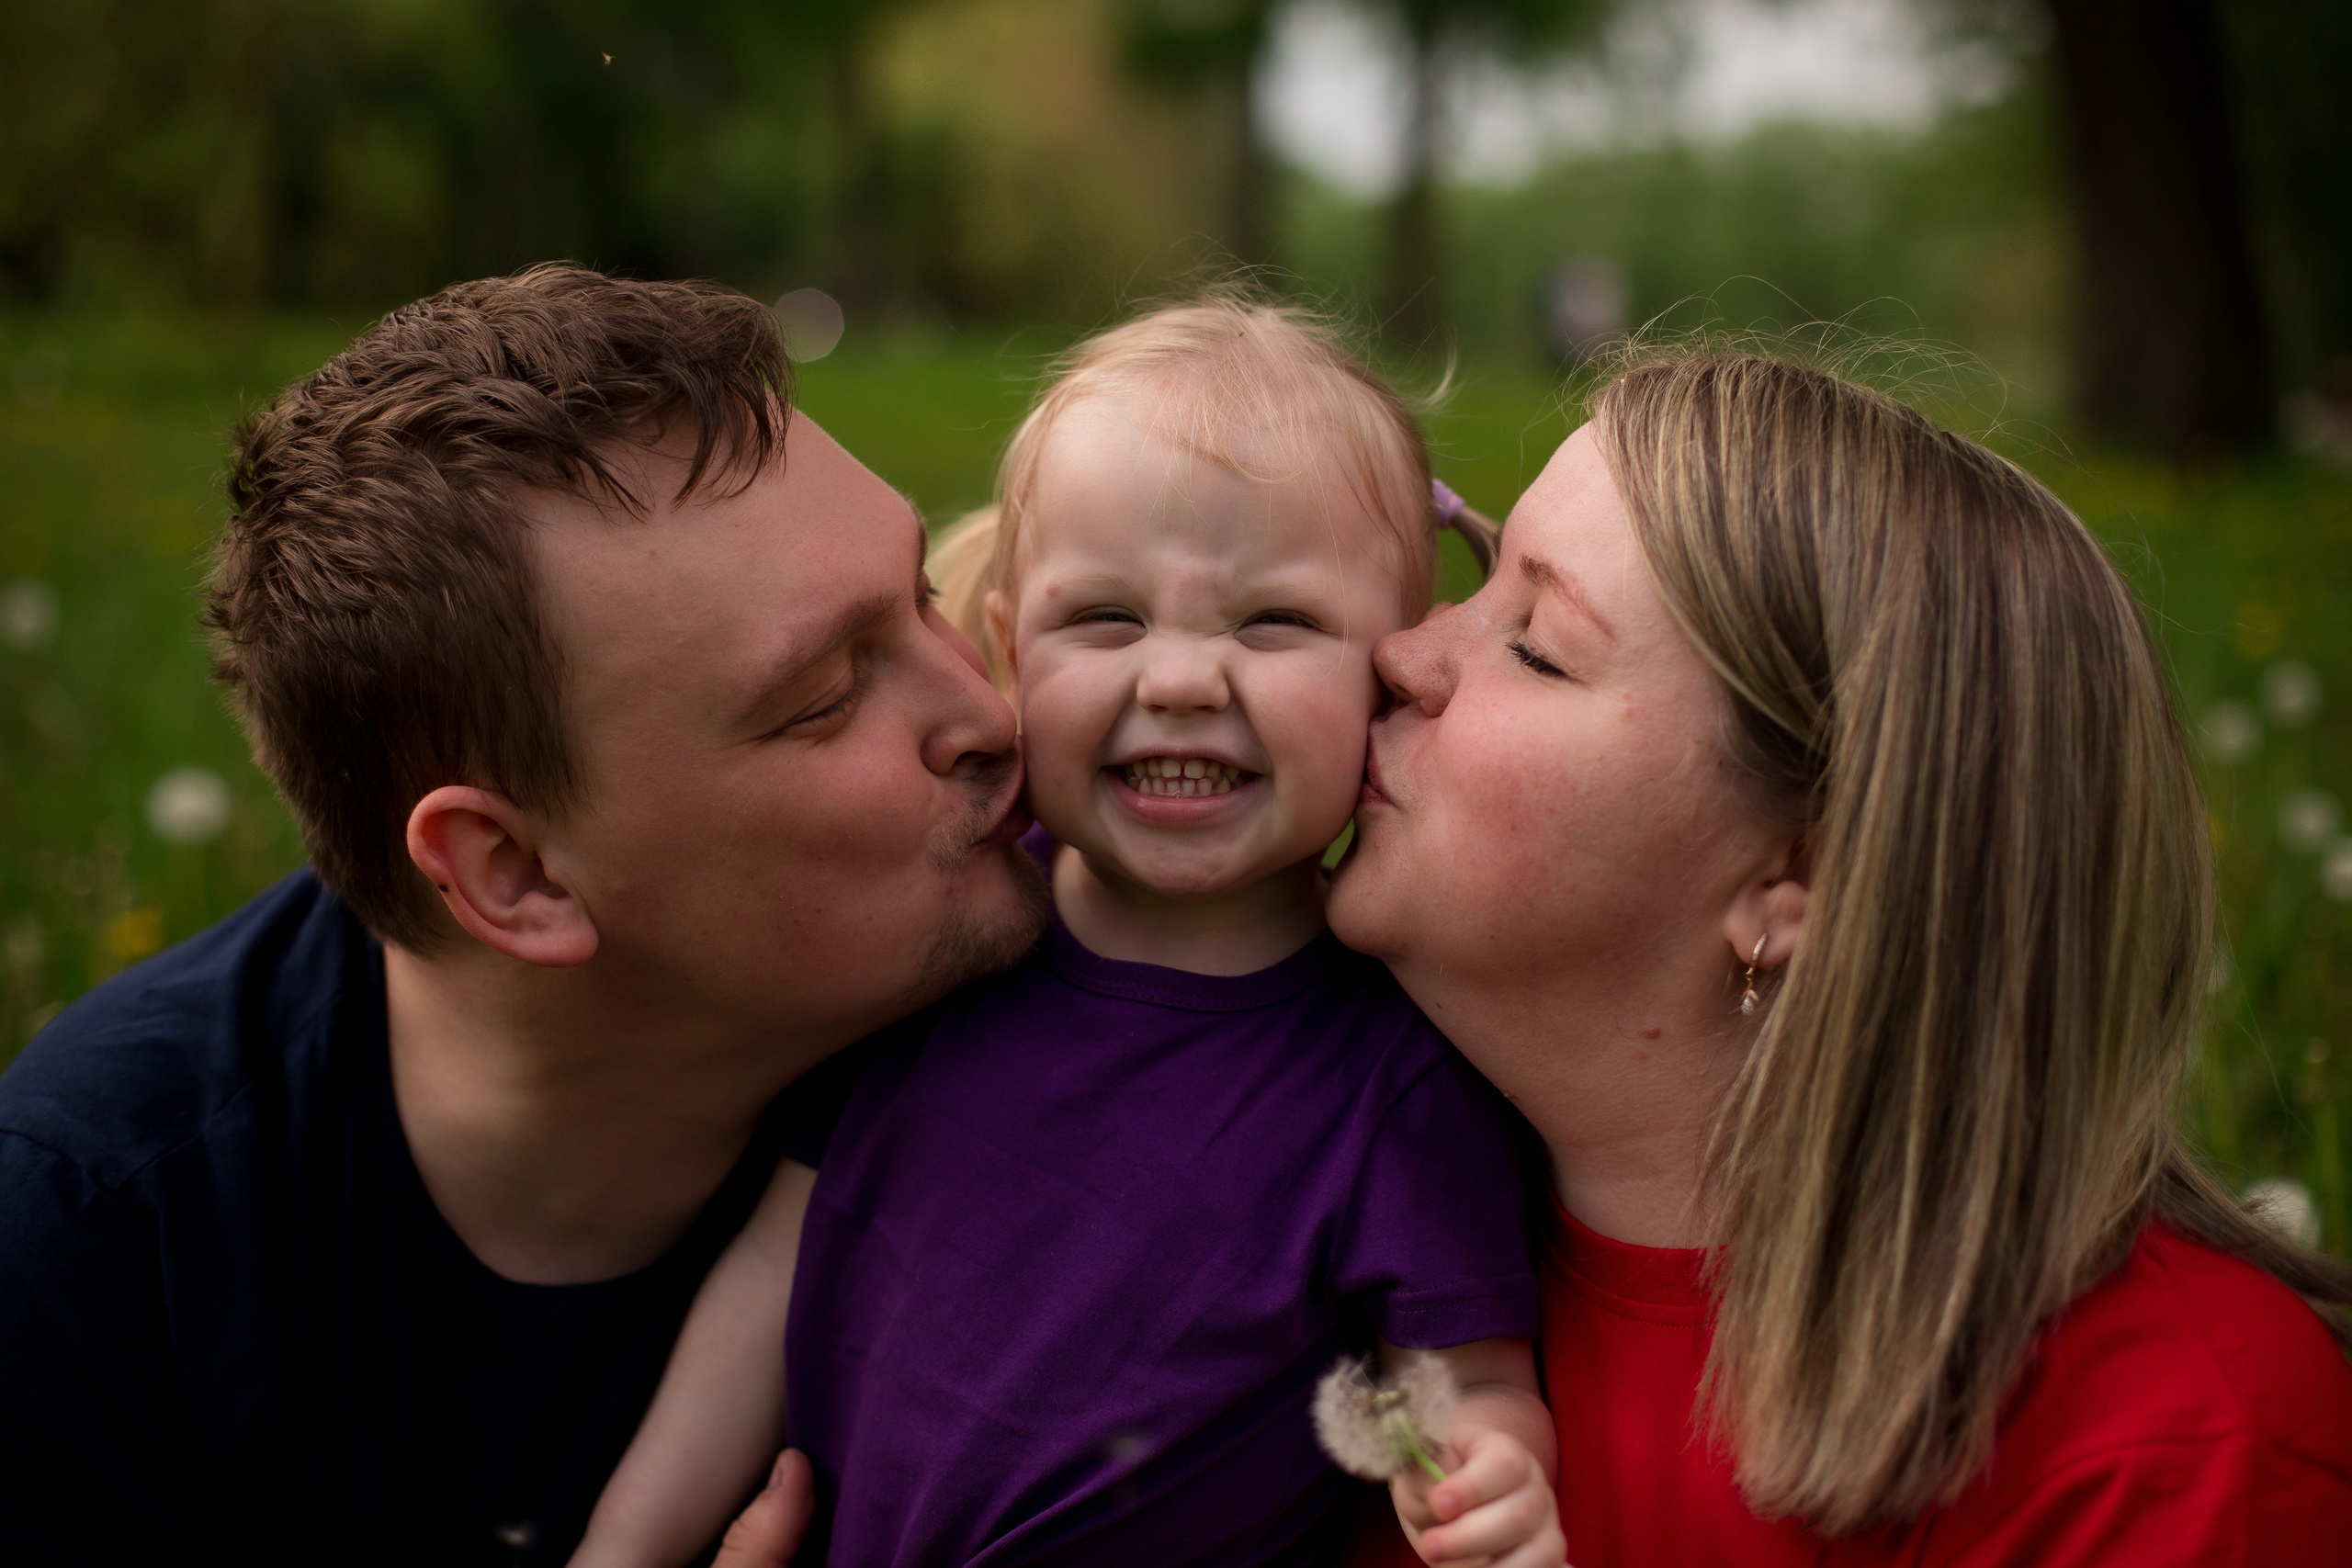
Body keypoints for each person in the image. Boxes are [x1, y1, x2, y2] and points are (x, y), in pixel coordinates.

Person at [0, 265, 1048, 1566]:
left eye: (924, 596)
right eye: (831, 693)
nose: (995, 716)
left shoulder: (1095, 992)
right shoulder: (101, 1254)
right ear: (514, 875)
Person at [565, 300, 1560, 1568]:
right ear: (1008, 649)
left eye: (1274, 624)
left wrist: (1499, 1470)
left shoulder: (1395, 1074)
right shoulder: (948, 944)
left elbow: (1462, 1378)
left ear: (1390, 670)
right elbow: (774, 1276)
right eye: (1105, 620)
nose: (1183, 679)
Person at [1329, 349, 2352, 1563]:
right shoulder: (1324, 1218)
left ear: (1793, 882)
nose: (1403, 653)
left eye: (1537, 643)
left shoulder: (2173, 1450)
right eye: (1474, 576)